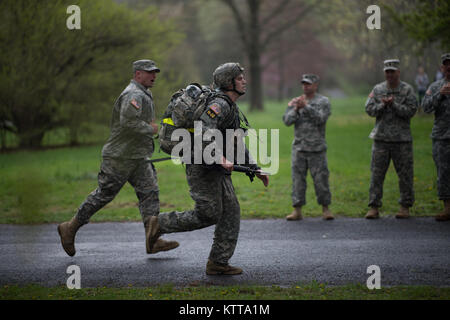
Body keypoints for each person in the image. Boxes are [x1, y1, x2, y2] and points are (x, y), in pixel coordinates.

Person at [145, 62, 269, 275]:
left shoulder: (230, 105)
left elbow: (235, 140)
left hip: (216, 166)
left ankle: (218, 263)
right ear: (229, 82)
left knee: (231, 212)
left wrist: (254, 169)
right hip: (201, 165)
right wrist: (220, 156)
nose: (244, 81)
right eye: (240, 78)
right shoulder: (219, 105)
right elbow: (204, 130)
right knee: (209, 213)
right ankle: (160, 223)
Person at [57, 60, 179, 256]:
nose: (153, 76)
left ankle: (153, 240)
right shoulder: (134, 94)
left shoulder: (143, 92)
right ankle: (69, 228)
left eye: (155, 72)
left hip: (137, 157)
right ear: (138, 74)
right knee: (104, 194)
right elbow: (128, 123)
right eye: (149, 72)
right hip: (119, 157)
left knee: (150, 193)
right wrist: (152, 129)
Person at [365, 59, 418, 219]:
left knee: (405, 175)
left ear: (398, 72)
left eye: (392, 71)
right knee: (376, 174)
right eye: (387, 71)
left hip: (401, 140)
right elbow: (369, 109)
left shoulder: (407, 90)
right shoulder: (378, 89)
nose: (389, 74)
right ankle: (374, 207)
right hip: (381, 139)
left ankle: (405, 207)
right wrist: (382, 105)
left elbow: (411, 111)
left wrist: (394, 105)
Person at [282, 74, 333, 221]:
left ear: (316, 85)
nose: (305, 86)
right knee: (298, 181)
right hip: (299, 148)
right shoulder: (296, 101)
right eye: (303, 84)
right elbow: (286, 121)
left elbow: (321, 118)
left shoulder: (323, 101)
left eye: (308, 84)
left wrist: (306, 107)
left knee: (321, 180)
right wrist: (296, 109)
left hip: (317, 148)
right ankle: (297, 210)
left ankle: (325, 209)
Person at [422, 53, 450, 221]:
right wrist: (439, 94)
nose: (449, 67)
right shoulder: (435, 86)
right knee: (444, 173)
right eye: (446, 64)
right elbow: (425, 107)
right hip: (442, 137)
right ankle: (447, 208)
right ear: (442, 68)